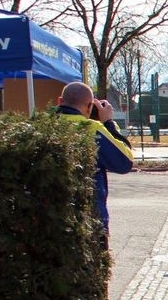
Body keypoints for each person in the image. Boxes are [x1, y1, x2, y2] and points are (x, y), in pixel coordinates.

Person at [56, 82, 133, 246]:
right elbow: (124, 162)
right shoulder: (92, 129)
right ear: (90, 105)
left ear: (59, 101)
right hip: (90, 218)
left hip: (51, 219)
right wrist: (108, 122)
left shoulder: (46, 126)